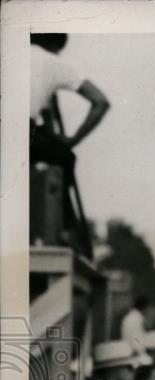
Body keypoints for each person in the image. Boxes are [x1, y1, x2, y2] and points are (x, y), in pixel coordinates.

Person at [30, 34, 110, 241]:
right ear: (55, 46)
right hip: (24, 131)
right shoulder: (52, 62)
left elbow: (45, 115)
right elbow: (100, 102)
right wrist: (72, 140)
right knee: (65, 158)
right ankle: (64, 228)